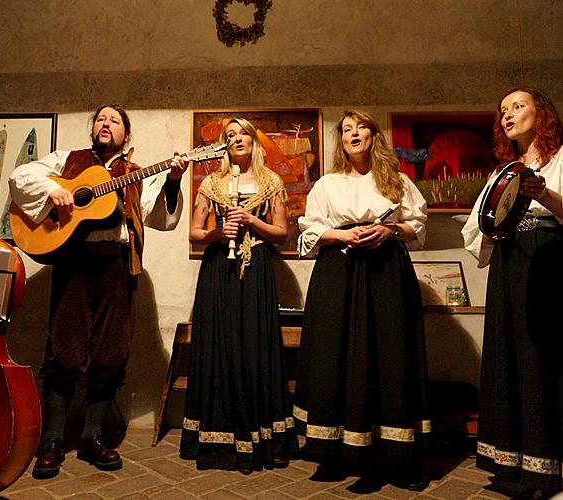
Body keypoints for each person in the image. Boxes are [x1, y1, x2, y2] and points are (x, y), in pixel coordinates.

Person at [9, 104, 188, 478]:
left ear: (127, 135)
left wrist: (173, 180)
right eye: (100, 119)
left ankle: (93, 437)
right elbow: (21, 177)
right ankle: (53, 441)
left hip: (119, 267)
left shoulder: (137, 174)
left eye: (115, 121)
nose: (106, 124)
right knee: (64, 350)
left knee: (112, 352)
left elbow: (162, 218)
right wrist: (53, 191)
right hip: (75, 263)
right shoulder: (67, 161)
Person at [294, 110, 430, 492]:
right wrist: (344, 237)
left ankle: (390, 459)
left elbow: (417, 226)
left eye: (361, 127)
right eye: (347, 129)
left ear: (374, 135)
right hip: (339, 275)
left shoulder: (397, 181)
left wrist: (389, 229)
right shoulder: (327, 184)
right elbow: (309, 232)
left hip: (385, 274)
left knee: (385, 356)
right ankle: (335, 453)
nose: (353, 133)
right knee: (335, 355)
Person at [179, 117, 298, 474]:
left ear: (253, 141)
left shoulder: (270, 181)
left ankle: (266, 438)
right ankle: (217, 438)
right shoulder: (212, 183)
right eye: (230, 135)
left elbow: (281, 233)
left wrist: (250, 222)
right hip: (219, 270)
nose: (237, 139)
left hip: (257, 269)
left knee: (254, 347)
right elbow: (195, 234)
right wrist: (218, 232)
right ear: (223, 146)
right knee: (220, 345)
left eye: (243, 133)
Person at [462, 87, 563, 499]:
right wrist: (496, 227)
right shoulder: (502, 172)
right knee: (511, 357)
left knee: (546, 358)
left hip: (551, 265)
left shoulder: (561, 160)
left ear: (542, 113)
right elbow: (477, 230)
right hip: (509, 266)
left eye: (517, 106)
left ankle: (550, 465)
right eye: (502, 110)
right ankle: (516, 462)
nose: (507, 115)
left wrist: (541, 193)